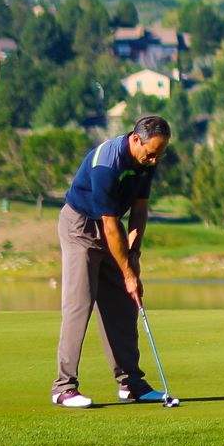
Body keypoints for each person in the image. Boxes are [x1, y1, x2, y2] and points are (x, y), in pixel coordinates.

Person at [51, 115, 172, 408]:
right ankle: (63, 387)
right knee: (80, 304)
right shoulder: (107, 163)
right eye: (152, 153)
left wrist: (134, 254)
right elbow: (108, 224)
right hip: (81, 226)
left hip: (112, 227)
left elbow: (139, 209)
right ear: (135, 139)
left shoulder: (146, 162)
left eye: (160, 153)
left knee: (123, 304)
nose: (155, 160)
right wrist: (128, 273)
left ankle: (131, 384)